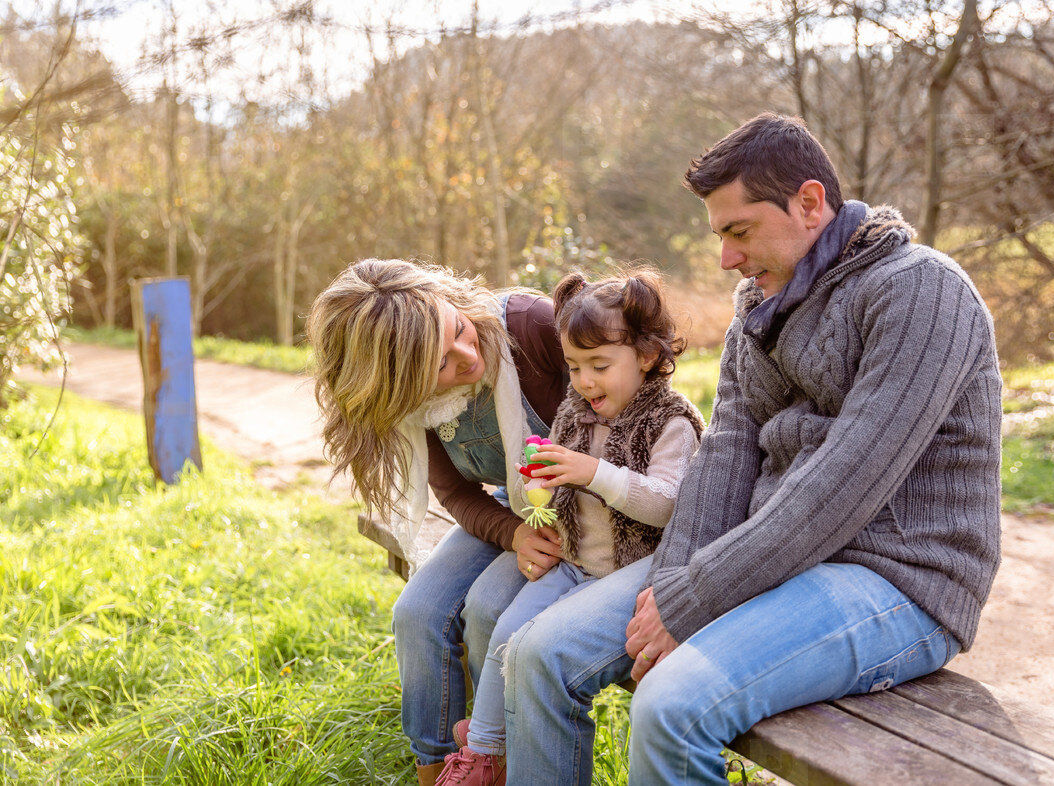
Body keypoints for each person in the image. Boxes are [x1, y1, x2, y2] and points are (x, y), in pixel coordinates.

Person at [501, 112, 1003, 784]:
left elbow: (844, 484)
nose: (726, 259)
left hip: (897, 579)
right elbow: (726, 453)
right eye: (719, 236)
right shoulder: (756, 308)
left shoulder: (922, 290)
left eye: (739, 232)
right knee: (539, 655)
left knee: (670, 708)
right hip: (769, 560)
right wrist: (675, 583)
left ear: (809, 203)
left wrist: (697, 597)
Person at [434, 270, 706, 786]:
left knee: (533, 644)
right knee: (507, 633)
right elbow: (556, 487)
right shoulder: (576, 412)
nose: (584, 381)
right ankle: (486, 753)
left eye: (600, 366)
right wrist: (538, 483)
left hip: (627, 574)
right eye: (575, 367)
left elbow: (668, 503)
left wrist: (595, 474)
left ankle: (490, 750)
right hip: (575, 564)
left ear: (647, 356)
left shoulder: (670, 421)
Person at [305, 259, 569, 786]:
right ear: (399, 388)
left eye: (457, 332)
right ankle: (437, 771)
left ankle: (492, 758)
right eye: (440, 364)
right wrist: (513, 533)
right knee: (418, 612)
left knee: (487, 608)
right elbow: (455, 492)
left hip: (586, 513)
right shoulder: (415, 405)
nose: (468, 357)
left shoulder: (534, 329)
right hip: (519, 511)